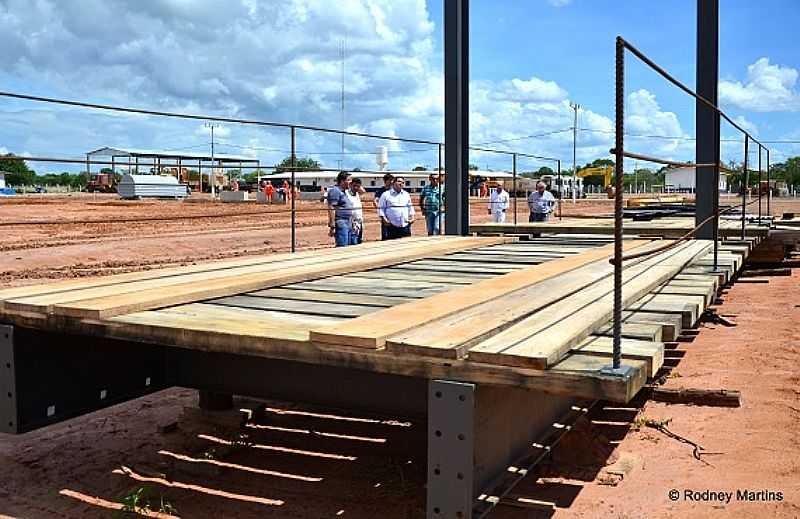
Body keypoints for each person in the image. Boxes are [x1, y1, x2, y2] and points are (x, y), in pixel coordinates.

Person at [327, 171, 356, 247]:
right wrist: (332, 225)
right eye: (349, 180)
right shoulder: (335, 191)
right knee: (343, 247)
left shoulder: (344, 192)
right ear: (342, 181)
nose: (351, 182)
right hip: (341, 222)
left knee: (350, 246)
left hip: (348, 221)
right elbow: (331, 207)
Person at [373, 173, 394, 240]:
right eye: (390, 180)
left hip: (394, 215)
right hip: (385, 215)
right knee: (385, 233)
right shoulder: (380, 191)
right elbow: (375, 201)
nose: (391, 182)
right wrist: (380, 210)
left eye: (392, 180)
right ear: (385, 181)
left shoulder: (394, 190)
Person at [346, 178, 365, 244]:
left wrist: (358, 186)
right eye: (354, 186)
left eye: (358, 186)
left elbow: (363, 191)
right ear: (350, 185)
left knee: (359, 241)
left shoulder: (357, 194)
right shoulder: (346, 193)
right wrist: (349, 182)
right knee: (353, 242)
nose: (356, 188)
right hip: (352, 222)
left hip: (359, 222)